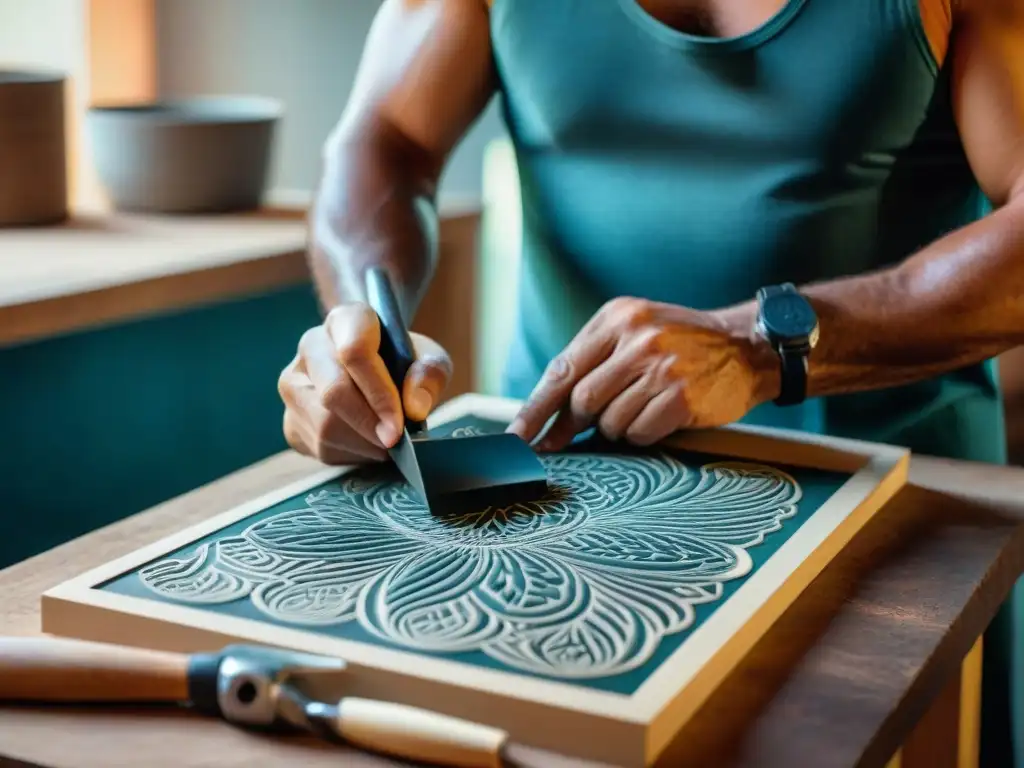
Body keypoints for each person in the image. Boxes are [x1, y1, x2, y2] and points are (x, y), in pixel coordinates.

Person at [277, 0, 1024, 763]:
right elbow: (387, 140)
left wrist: (760, 346)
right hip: (550, 497)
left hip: (890, 518)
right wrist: (363, 329)